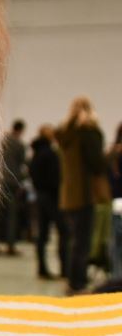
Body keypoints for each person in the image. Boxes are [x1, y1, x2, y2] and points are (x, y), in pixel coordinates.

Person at [56, 97, 106, 294]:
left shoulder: (65, 134)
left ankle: (73, 280)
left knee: (73, 240)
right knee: (83, 242)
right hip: (85, 195)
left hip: (69, 196)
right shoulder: (88, 133)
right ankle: (79, 283)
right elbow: (97, 164)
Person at [29, 125, 68, 279]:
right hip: (52, 197)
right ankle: (65, 268)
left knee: (42, 234)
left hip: (40, 196)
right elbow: (55, 178)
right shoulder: (50, 154)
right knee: (64, 231)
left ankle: (42, 268)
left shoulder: (36, 153)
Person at [0, 120, 27, 255]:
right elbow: (22, 164)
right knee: (11, 215)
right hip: (12, 183)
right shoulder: (19, 145)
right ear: (21, 130)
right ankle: (10, 245)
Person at [107, 124, 122, 280]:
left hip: (115, 202)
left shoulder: (111, 153)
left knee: (117, 244)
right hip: (118, 202)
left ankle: (116, 278)